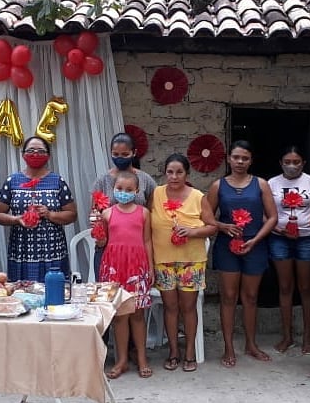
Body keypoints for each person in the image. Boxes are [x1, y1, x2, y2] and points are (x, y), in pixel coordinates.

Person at [207, 140, 278, 368]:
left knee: (250, 297)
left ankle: (251, 344)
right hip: (227, 246)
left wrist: (256, 238)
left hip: (254, 245)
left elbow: (273, 217)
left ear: (251, 160)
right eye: (236, 157)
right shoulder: (218, 186)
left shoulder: (261, 184)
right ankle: (228, 347)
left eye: (245, 158)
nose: (240, 162)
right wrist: (222, 226)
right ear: (229, 158)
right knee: (228, 297)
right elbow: (206, 216)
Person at [150, 153, 217, 372]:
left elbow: (212, 226)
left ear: (187, 173)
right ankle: (173, 351)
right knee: (170, 307)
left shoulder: (198, 196)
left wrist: (192, 231)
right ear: (165, 173)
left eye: (179, 172)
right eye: (170, 172)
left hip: (191, 260)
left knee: (188, 308)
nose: (174, 176)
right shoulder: (157, 194)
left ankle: (189, 351)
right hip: (163, 260)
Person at [0, 136, 77, 282]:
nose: (35, 154)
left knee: (54, 293)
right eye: (31, 150)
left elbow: (72, 214)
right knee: (22, 294)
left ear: (48, 156)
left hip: (53, 250)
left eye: (40, 151)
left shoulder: (57, 181)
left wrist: (49, 214)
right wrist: (16, 219)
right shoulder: (12, 181)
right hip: (22, 250)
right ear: (23, 154)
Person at [97, 170, 154, 379]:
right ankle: (121, 360)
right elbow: (101, 243)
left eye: (129, 189)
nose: (123, 192)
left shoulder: (144, 213)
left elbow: (147, 241)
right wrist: (97, 230)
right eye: (119, 189)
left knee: (138, 314)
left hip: (136, 267)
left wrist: (150, 267)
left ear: (137, 191)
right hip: (113, 267)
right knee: (120, 316)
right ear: (113, 190)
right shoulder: (107, 213)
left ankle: (141, 358)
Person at [268, 146, 310, 355]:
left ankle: (307, 337)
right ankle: (287, 336)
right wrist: (277, 227)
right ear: (280, 163)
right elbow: (265, 212)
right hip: (279, 238)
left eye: (296, 162)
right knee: (285, 287)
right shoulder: (271, 183)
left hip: (307, 238)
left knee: (306, 288)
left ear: (303, 163)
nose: (291, 166)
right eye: (287, 162)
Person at [90, 132, 157, 270]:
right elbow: (94, 213)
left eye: (125, 154)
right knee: (108, 291)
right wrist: (98, 233)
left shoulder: (146, 180)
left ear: (134, 153)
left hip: (137, 248)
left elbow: (152, 212)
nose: (120, 158)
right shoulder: (102, 181)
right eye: (116, 154)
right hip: (108, 248)